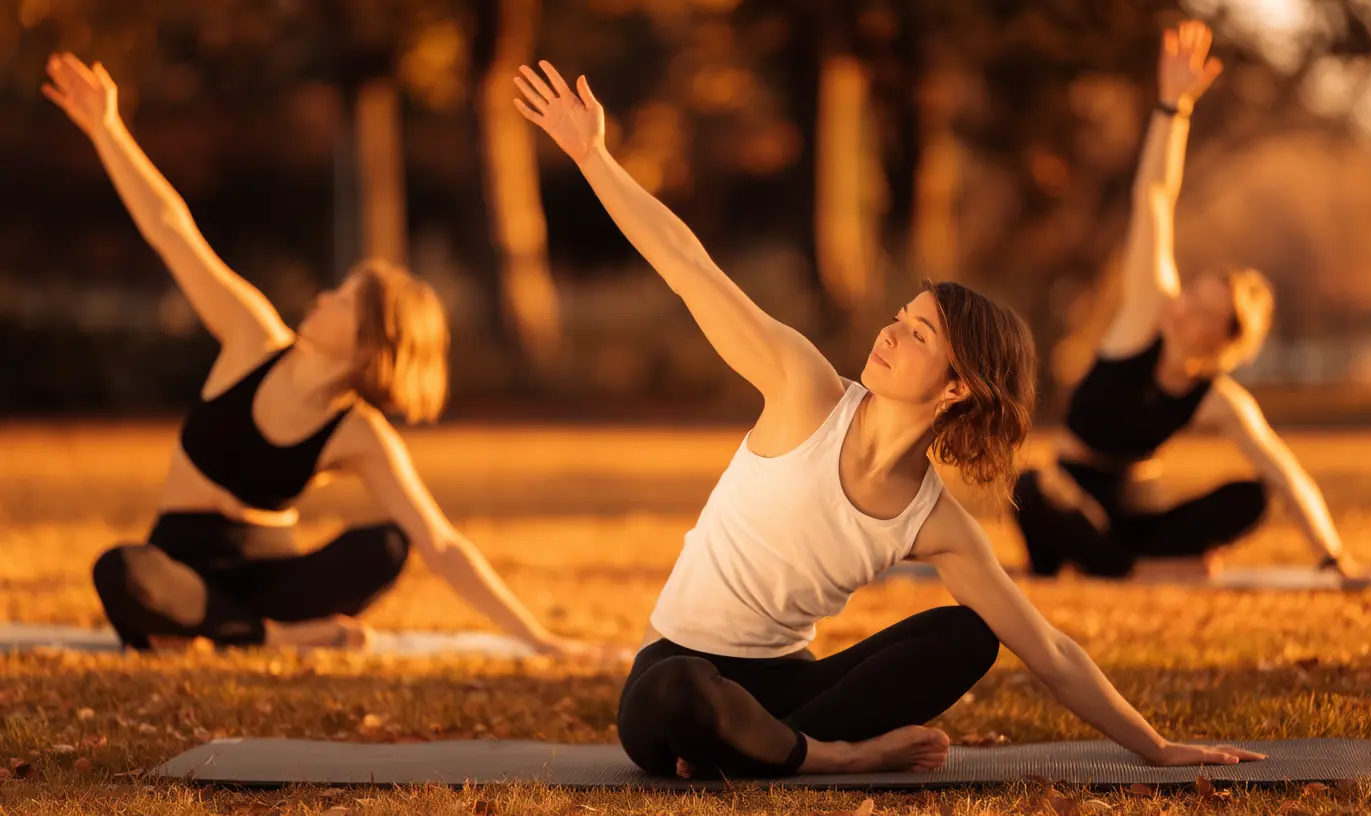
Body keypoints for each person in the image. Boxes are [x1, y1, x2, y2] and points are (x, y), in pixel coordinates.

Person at [513, 59, 1266, 778]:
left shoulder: (932, 520)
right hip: (677, 673)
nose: (891, 331)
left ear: (956, 389)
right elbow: (689, 269)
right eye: (901, 315)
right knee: (675, 692)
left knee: (972, 633)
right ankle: (832, 758)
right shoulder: (805, 389)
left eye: (920, 334)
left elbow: (1048, 650)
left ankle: (765, 750)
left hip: (791, 692)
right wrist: (593, 157)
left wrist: (1155, 746)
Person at [45, 53, 611, 658]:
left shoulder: (359, 434)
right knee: (121, 571)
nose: (322, 296)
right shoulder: (251, 335)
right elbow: (170, 228)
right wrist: (107, 128)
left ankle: (226, 630)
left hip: (272, 580)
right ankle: (270, 638)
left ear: (371, 343)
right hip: (177, 565)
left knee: (389, 545)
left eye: (342, 300)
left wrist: (544, 641)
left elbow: (441, 546)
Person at [1010, 21, 1359, 581]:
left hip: (1139, 513)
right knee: (1032, 487)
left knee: (1252, 495)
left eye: (1202, 313)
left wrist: (1334, 559)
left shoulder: (1217, 398)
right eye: (1191, 295)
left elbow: (1282, 472)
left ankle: (1126, 562)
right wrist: (1173, 108)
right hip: (1072, 500)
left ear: (1221, 343)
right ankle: (1139, 570)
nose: (1181, 309)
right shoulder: (1146, 313)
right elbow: (1154, 196)